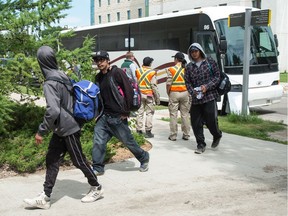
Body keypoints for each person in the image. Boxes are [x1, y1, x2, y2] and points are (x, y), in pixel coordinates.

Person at [23, 46, 103, 210]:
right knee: (52, 159)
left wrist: (41, 131)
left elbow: (53, 110)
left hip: (68, 128)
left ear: (41, 62)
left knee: (78, 160)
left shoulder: (50, 82)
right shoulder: (61, 75)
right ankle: (45, 197)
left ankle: (96, 188)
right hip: (63, 127)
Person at [92, 50, 150, 176]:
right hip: (104, 116)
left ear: (108, 60)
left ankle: (144, 157)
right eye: (97, 60)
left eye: (101, 60)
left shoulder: (116, 73)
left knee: (128, 141)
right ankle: (98, 167)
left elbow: (128, 89)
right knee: (98, 141)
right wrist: (97, 114)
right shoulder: (98, 77)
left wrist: (126, 111)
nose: (99, 63)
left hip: (117, 116)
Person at [184, 43, 222, 154]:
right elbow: (187, 82)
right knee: (196, 123)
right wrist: (192, 91)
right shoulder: (189, 67)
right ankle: (200, 144)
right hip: (196, 99)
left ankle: (217, 134)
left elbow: (217, 76)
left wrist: (207, 86)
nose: (194, 53)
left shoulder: (210, 62)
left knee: (211, 120)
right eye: (192, 52)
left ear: (200, 51)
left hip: (209, 96)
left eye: (196, 51)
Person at [166, 52, 191, 141]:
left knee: (173, 114)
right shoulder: (187, 68)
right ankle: (186, 134)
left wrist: (168, 92)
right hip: (185, 93)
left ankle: (173, 135)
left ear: (176, 59)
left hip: (174, 93)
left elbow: (169, 83)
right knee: (185, 114)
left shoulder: (171, 69)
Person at [135, 57, 160, 138]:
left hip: (140, 94)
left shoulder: (138, 70)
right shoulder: (152, 72)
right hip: (149, 95)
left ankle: (139, 130)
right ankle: (148, 131)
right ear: (150, 63)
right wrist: (157, 97)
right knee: (149, 113)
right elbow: (153, 85)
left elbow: (136, 82)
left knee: (140, 112)